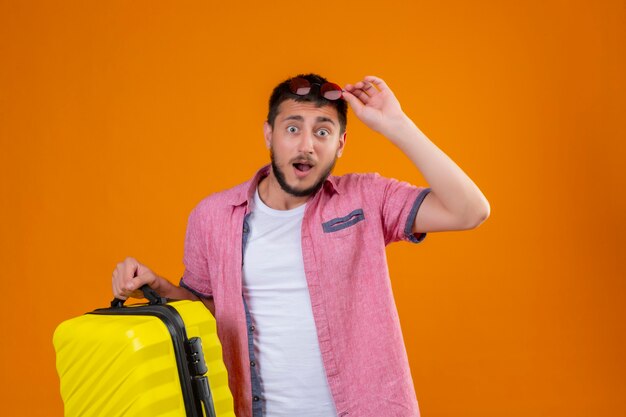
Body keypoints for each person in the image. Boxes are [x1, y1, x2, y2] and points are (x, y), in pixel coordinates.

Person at [112, 73, 490, 417]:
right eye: (293, 128)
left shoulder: (366, 197)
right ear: (268, 134)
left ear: (341, 144)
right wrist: (157, 286)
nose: (306, 145)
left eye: (322, 132)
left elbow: (470, 211)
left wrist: (397, 126)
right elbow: (210, 313)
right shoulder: (212, 216)